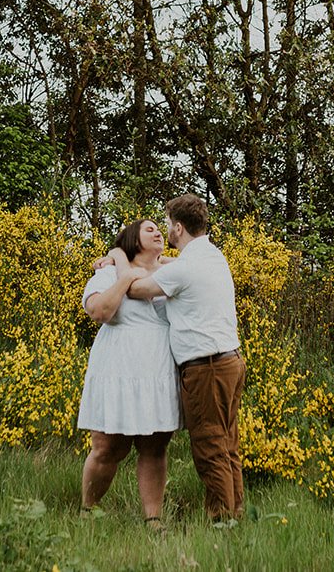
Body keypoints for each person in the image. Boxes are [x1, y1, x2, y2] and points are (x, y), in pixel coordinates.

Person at [107, 193, 245, 522]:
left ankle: (222, 522)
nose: (165, 230)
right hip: (230, 361)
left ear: (179, 227)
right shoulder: (212, 256)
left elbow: (134, 289)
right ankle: (236, 515)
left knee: (210, 448)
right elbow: (171, 265)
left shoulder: (183, 269)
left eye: (167, 223)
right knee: (227, 446)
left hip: (207, 368)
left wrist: (118, 256)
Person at [76, 217, 179, 531]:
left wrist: (127, 260)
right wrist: (125, 275)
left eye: (159, 228)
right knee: (108, 447)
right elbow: (99, 312)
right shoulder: (108, 272)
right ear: (133, 239)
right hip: (117, 369)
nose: (158, 231)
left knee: (155, 446)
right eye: (149, 229)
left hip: (158, 370)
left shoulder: (172, 272)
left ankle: (153, 519)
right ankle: (88, 511)